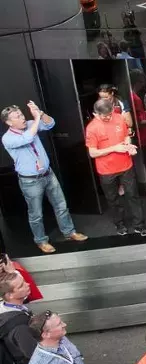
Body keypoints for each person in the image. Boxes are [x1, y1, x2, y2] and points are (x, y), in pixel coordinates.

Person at [2, 103, 86, 253]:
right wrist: (35, 119)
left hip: (48, 174)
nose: (22, 118)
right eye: (18, 117)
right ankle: (41, 241)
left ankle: (69, 232)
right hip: (30, 180)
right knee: (36, 214)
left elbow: (50, 123)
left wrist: (39, 113)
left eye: (22, 114)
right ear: (9, 122)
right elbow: (28, 138)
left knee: (61, 205)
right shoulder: (7, 138)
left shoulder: (30, 124)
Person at [86, 99, 146, 237]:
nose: (108, 117)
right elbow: (92, 152)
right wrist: (114, 148)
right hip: (106, 170)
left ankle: (139, 225)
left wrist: (128, 145)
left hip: (126, 165)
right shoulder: (92, 128)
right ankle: (119, 224)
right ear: (96, 114)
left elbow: (126, 136)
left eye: (109, 114)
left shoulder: (119, 118)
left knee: (133, 195)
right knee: (113, 199)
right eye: (104, 116)